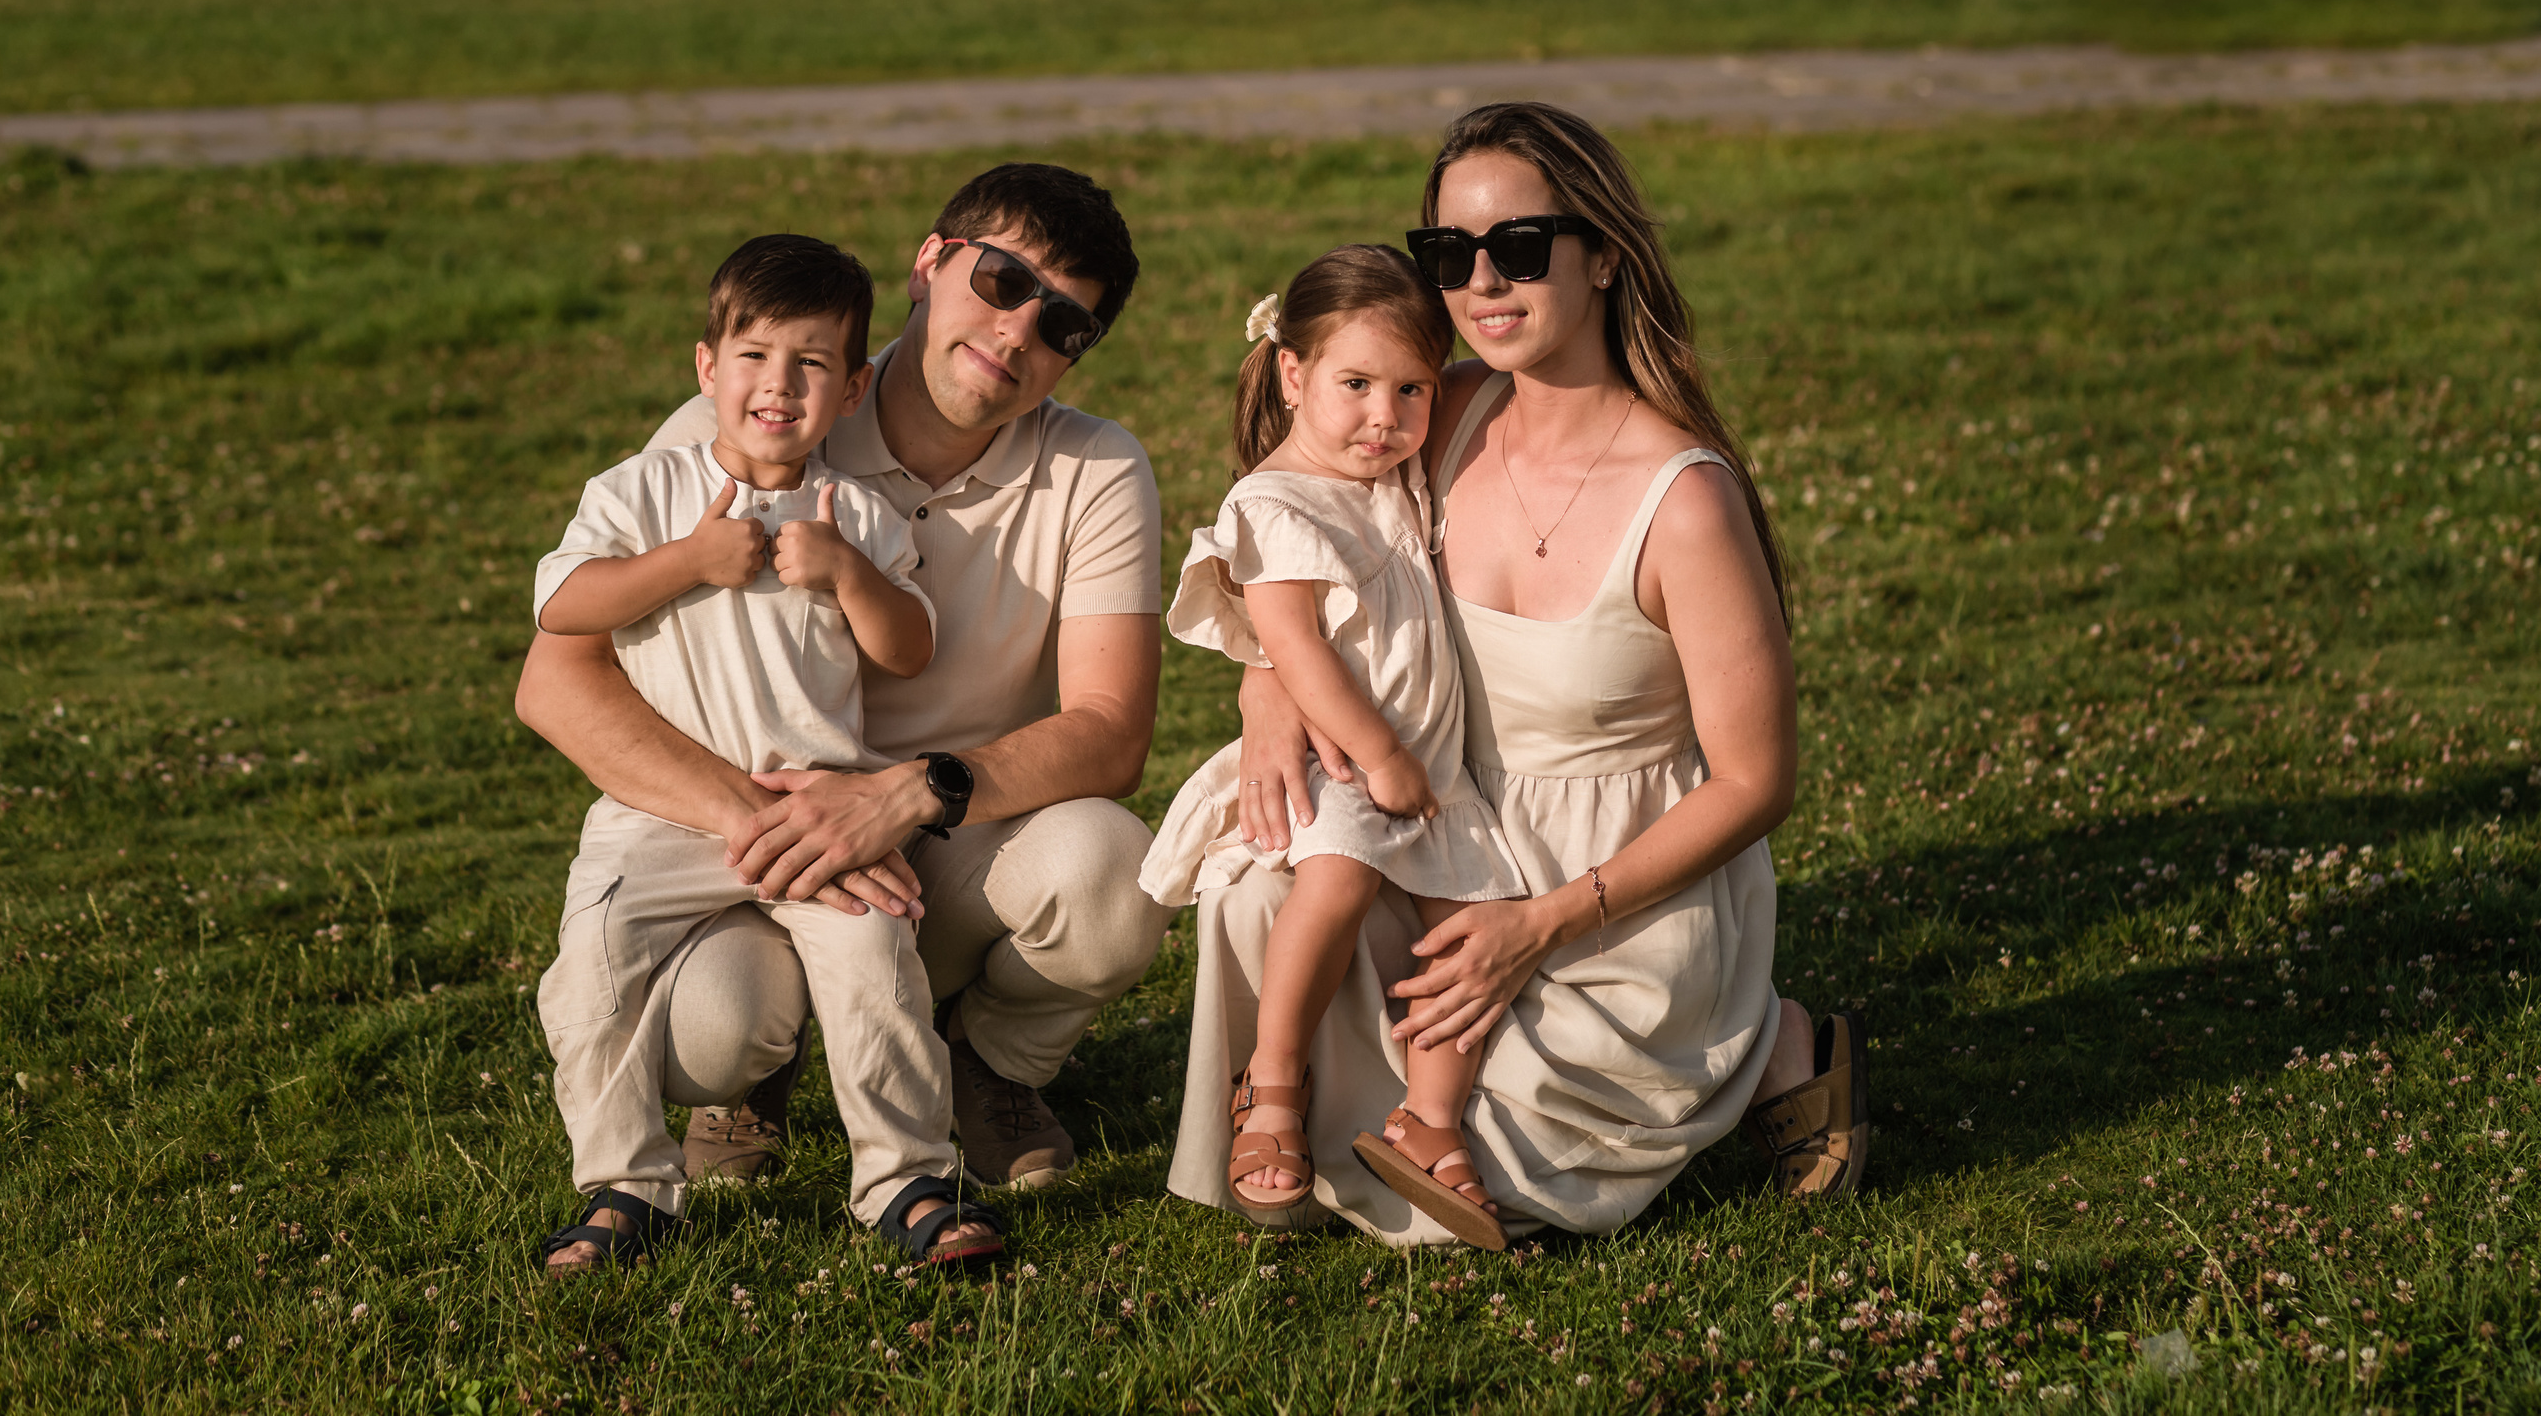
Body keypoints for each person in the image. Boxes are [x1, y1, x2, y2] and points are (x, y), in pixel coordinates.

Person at [1184, 102, 1866, 1247]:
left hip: (1612, 888)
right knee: (1262, 884)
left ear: (1602, 253)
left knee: (1470, 1205)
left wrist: (1541, 925)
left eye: (1521, 246)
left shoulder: (1685, 502)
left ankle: (1769, 1045)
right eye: (1449, 253)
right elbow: (1289, 549)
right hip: (1441, 822)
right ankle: (1294, 1100)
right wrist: (1268, 689)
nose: (1482, 282)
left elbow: (1756, 785)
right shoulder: (1432, 413)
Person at [513, 165, 1169, 1221]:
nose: (1016, 334)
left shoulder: (1097, 468)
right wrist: (759, 817)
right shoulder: (750, 416)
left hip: (945, 844)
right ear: (929, 262)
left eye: (1063, 324)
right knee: (713, 1033)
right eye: (1001, 281)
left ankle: (990, 1064)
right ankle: (751, 1079)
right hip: (747, 827)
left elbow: (1110, 733)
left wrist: (900, 796)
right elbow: (555, 681)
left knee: (1113, 872)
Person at [530, 235, 1025, 1273]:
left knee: (875, 961)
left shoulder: (860, 514)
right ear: (706, 368)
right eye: (753, 355)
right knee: (590, 974)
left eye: (810, 364)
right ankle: (625, 1187)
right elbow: (564, 603)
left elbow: (908, 648)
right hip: (660, 815)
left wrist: (846, 571)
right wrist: (685, 563)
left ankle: (907, 1183)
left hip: (815, 810)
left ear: (850, 391)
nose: (778, 384)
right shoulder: (639, 493)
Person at [1139, 248, 1528, 1250]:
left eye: (1409, 391)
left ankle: (1428, 1120)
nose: (1384, 416)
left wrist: (1416, 768)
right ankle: (1271, 1085)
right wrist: (1380, 754)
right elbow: (1295, 652)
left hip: (1431, 775)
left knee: (1477, 927)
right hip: (1342, 765)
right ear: (1292, 374)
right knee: (1340, 878)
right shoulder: (1275, 506)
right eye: (1355, 385)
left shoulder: (1391, 479)